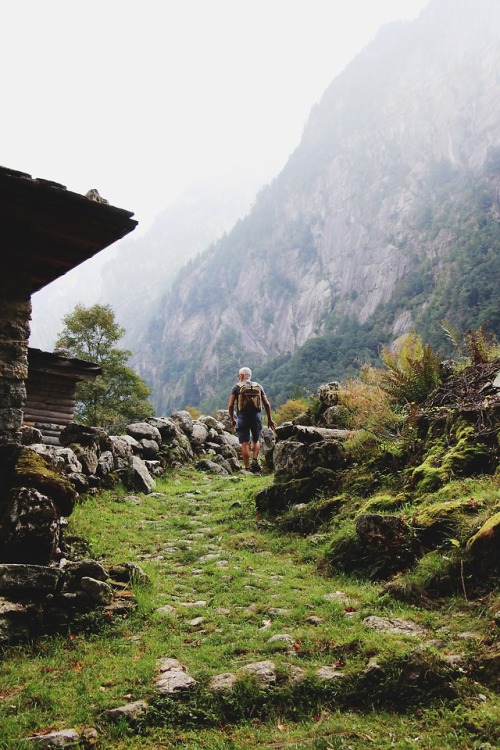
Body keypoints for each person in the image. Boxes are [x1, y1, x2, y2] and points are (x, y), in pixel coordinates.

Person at [228, 367, 276, 472]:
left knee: (244, 443)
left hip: (242, 416)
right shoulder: (258, 386)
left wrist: (232, 419)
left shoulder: (236, 387)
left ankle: (247, 468)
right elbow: (266, 403)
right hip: (256, 416)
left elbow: (231, 405)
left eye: (238, 376)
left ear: (241, 376)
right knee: (256, 440)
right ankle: (255, 460)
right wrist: (269, 419)